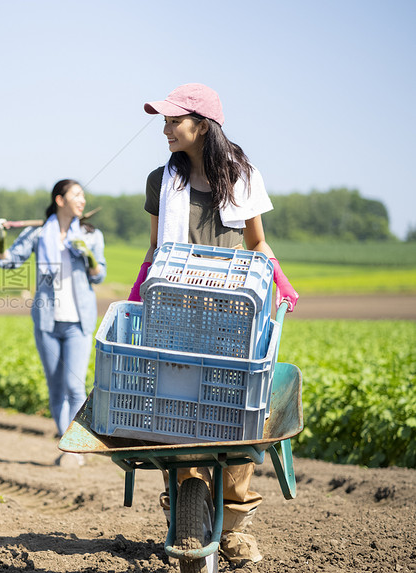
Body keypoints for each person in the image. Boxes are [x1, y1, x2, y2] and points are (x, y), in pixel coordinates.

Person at [129, 83, 299, 566]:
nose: (164, 129)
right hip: (178, 312)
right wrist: (137, 294)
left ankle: (237, 524)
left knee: (237, 414)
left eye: (172, 120)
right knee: (180, 411)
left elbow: (257, 244)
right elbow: (154, 247)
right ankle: (186, 502)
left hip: (231, 316)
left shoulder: (242, 177)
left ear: (201, 125)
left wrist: (281, 284)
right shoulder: (160, 181)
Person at [0, 179, 106, 466]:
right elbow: (8, 262)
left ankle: (74, 449)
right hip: (47, 320)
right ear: (60, 200)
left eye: (83, 196)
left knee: (74, 384)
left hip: (78, 321)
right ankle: (65, 442)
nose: (82, 200)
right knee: (56, 387)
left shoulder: (92, 235)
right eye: (76, 195)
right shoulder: (37, 235)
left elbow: (98, 275)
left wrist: (88, 254)